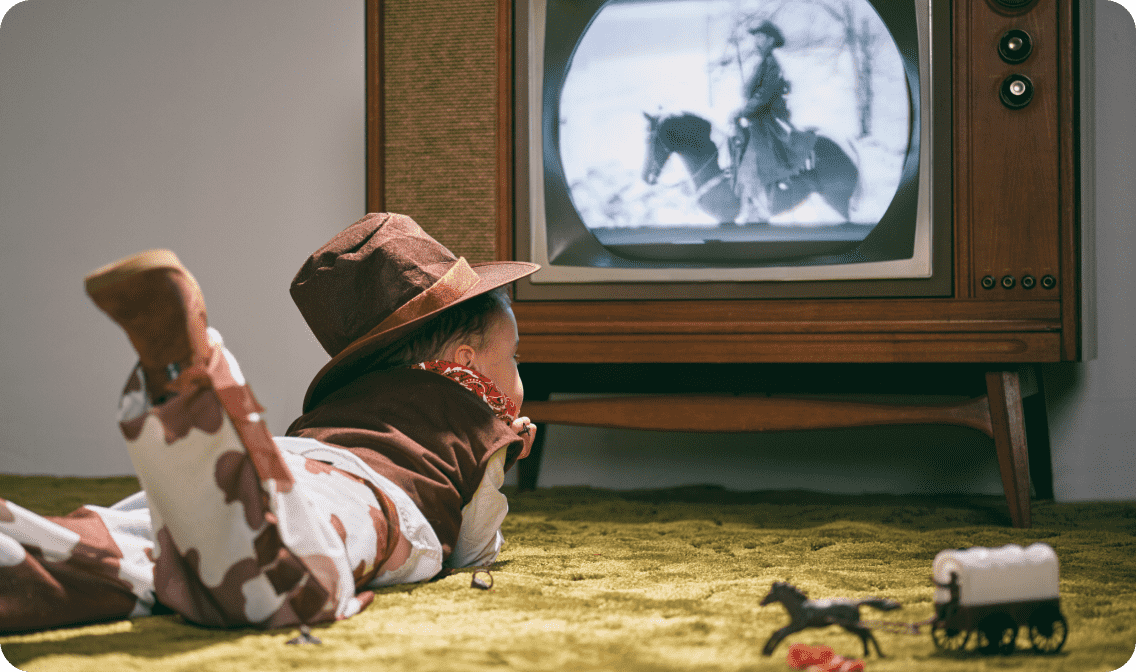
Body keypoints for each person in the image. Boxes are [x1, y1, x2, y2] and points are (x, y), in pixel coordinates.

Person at [0, 212, 539, 632]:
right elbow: (474, 546)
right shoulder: (478, 418)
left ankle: (28, 552)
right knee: (301, 558)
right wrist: (502, 455)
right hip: (368, 497)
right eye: (513, 357)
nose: (519, 369)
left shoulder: (355, 396)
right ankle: (210, 402)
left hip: (289, 460)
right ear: (466, 364)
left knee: (157, 554)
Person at [731, 19, 800, 202]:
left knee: (758, 148)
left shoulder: (772, 64)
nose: (756, 41)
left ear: (770, 40)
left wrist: (744, 110)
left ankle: (779, 181)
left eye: (760, 37)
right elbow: (752, 91)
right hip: (758, 113)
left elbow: (764, 94)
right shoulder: (761, 63)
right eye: (756, 38)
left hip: (770, 115)